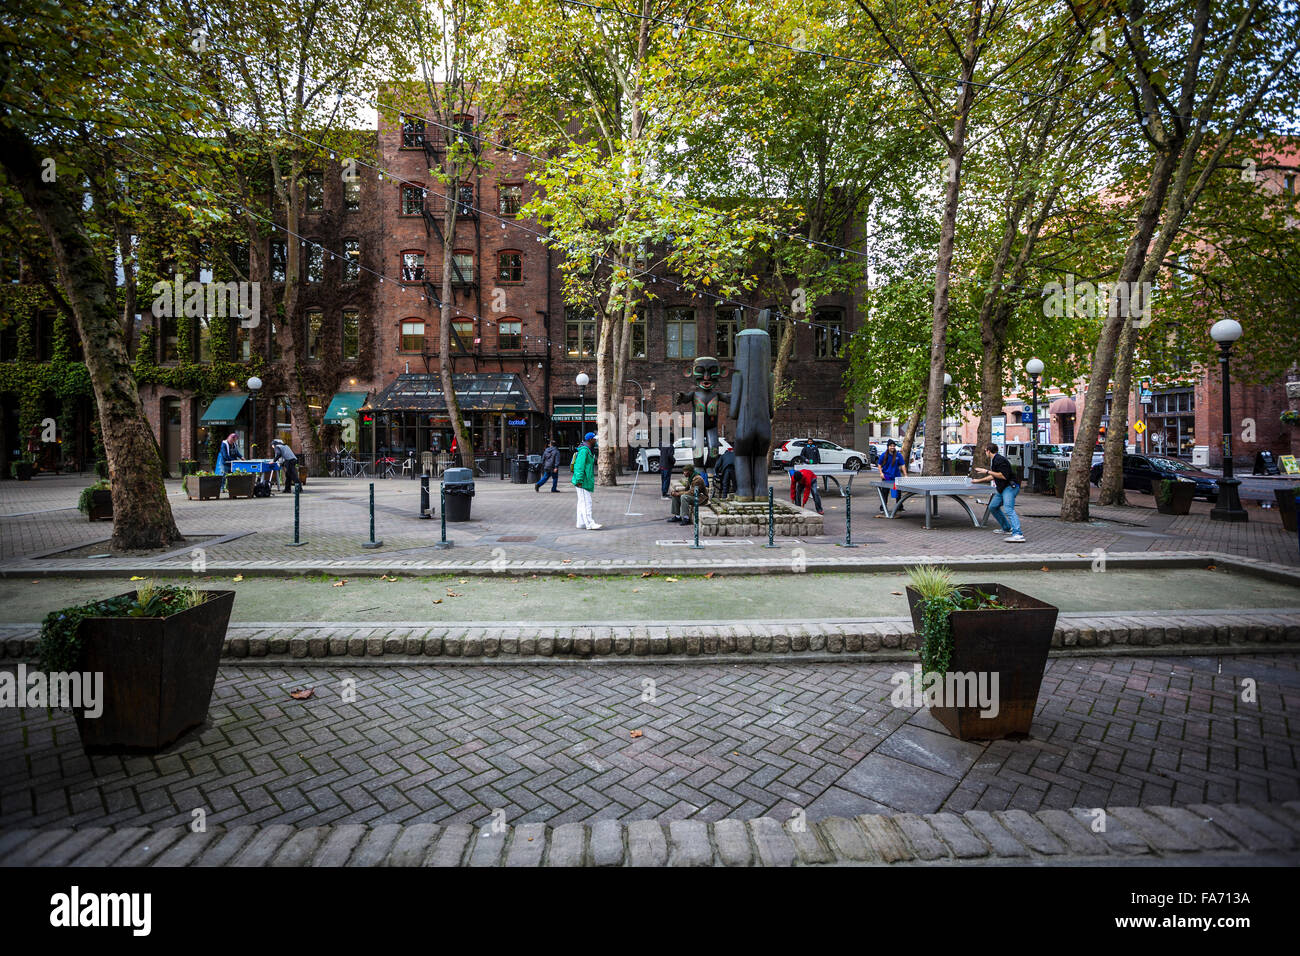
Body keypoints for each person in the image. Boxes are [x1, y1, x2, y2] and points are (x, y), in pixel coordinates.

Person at [972, 443, 1025, 542]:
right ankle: (1006, 528)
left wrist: (986, 471)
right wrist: (977, 481)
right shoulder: (995, 460)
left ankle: (1018, 534)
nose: (985, 453)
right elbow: (994, 475)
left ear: (988, 450)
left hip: (1010, 487)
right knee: (993, 506)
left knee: (1009, 509)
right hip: (1002, 488)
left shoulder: (1000, 460)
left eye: (985, 451)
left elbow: (1003, 476)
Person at [571, 431, 601, 530]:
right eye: (594, 439)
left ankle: (580, 523)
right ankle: (589, 524)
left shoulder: (586, 450)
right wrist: (579, 480)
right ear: (590, 440)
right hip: (583, 481)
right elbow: (579, 466)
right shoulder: (584, 450)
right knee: (586, 502)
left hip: (582, 480)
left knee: (581, 502)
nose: (596, 440)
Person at [875, 439, 907, 516]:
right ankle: (883, 507)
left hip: (896, 477)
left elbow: (902, 465)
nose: (892, 447)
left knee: (898, 493)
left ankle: (899, 506)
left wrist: (905, 475)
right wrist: (881, 473)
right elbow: (879, 465)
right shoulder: (883, 455)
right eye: (891, 446)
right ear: (888, 447)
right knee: (885, 493)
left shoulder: (898, 455)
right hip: (886, 477)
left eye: (893, 446)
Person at [658, 428, 676, 498]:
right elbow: (669, 455)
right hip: (667, 465)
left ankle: (663, 491)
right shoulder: (671, 446)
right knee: (667, 479)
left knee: (663, 479)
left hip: (662, 465)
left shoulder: (663, 445)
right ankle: (665, 492)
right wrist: (674, 460)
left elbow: (659, 446)